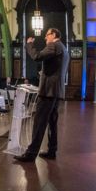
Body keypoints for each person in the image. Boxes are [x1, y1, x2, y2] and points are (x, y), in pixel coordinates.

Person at [15, 28, 70, 162]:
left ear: (54, 35)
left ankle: (31, 153)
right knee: (52, 122)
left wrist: (29, 44)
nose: (45, 38)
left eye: (47, 35)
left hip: (48, 91)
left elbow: (37, 56)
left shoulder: (54, 45)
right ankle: (52, 150)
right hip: (56, 91)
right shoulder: (64, 49)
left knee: (39, 122)